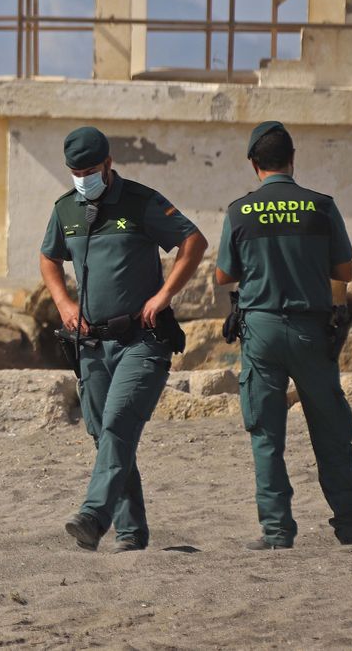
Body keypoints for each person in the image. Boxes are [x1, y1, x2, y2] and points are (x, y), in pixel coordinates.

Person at [40, 126, 208, 553]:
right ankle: (131, 534)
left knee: (118, 424)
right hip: (91, 346)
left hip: (142, 341)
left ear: (108, 164)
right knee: (106, 436)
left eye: (90, 171)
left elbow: (193, 242)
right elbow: (48, 258)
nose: (84, 179)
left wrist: (164, 295)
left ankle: (93, 516)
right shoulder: (65, 209)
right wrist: (63, 303)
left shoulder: (141, 201)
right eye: (77, 172)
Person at [215, 121, 352, 549]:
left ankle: (277, 531)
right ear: (292, 159)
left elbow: (224, 274)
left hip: (261, 330)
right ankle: (350, 526)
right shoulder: (321, 206)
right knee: (331, 431)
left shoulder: (240, 211)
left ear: (254, 164)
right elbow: (345, 271)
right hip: (312, 331)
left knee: (266, 434)